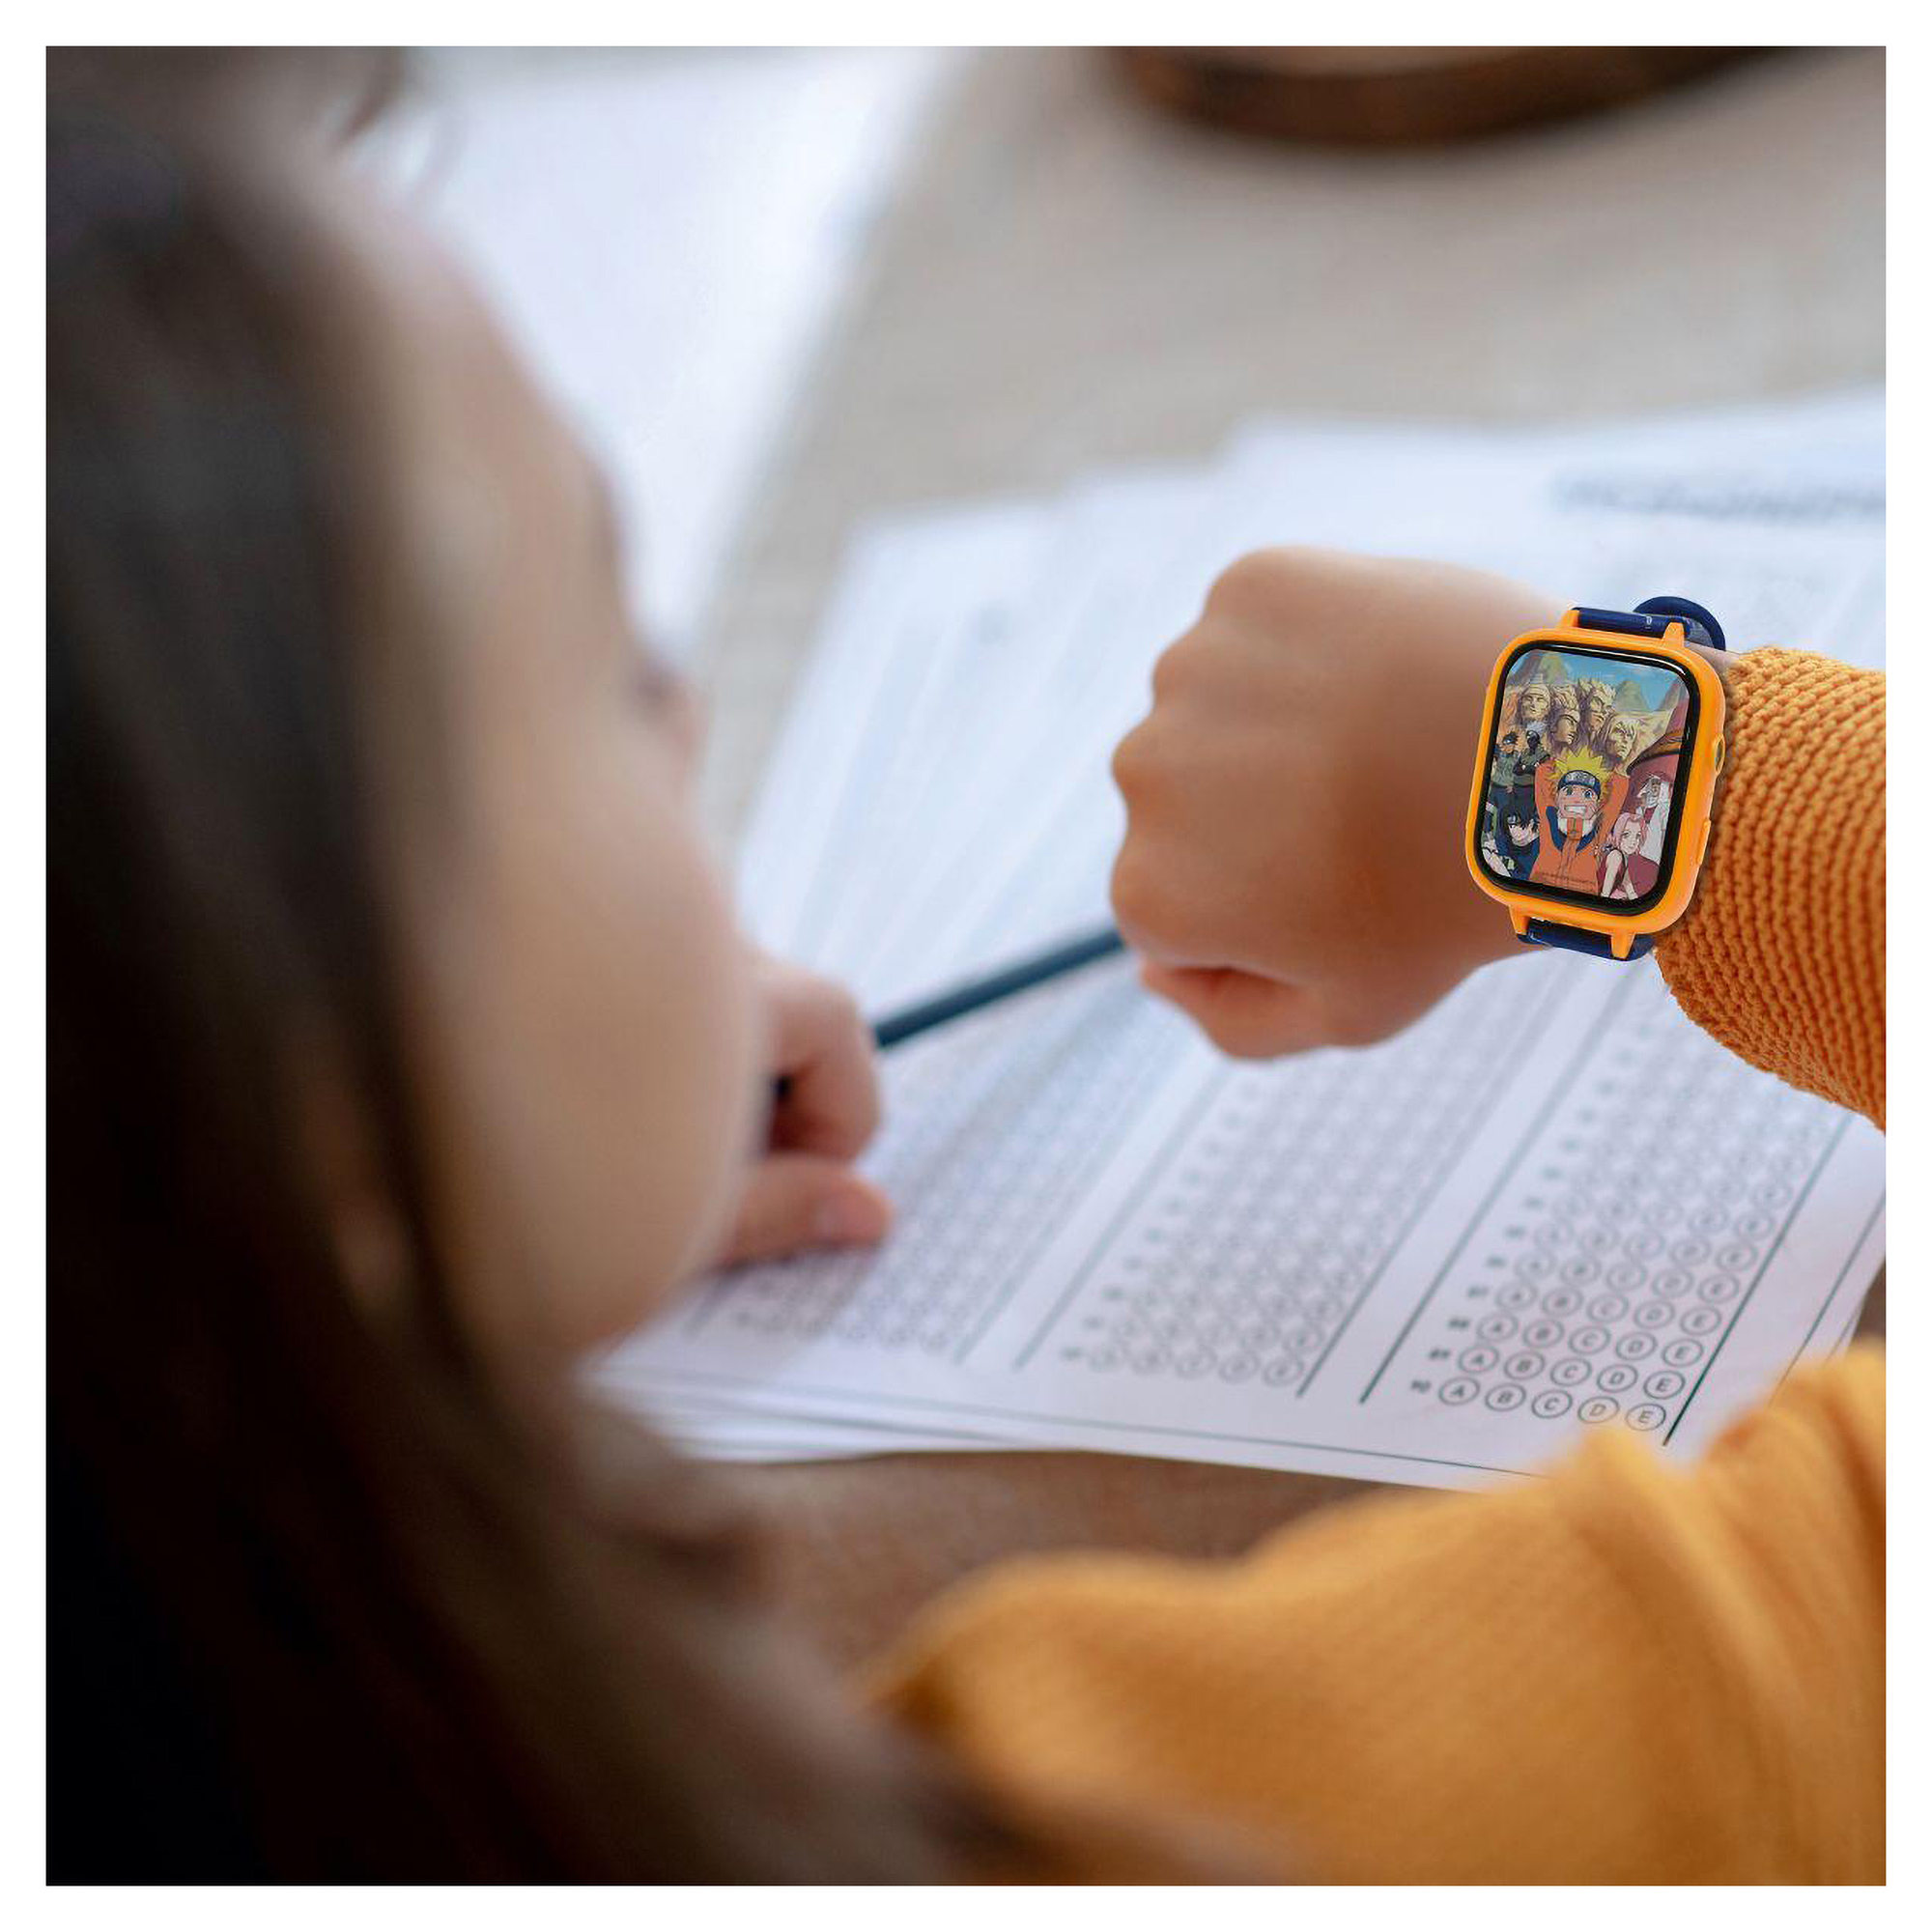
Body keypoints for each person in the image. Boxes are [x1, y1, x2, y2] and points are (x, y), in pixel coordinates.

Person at [51, 64, 1885, 1885]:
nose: (692, 720)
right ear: (327, 1115)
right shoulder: (1175, 1801)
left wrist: (424, 1258)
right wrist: (1623, 775)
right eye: (618, 661)